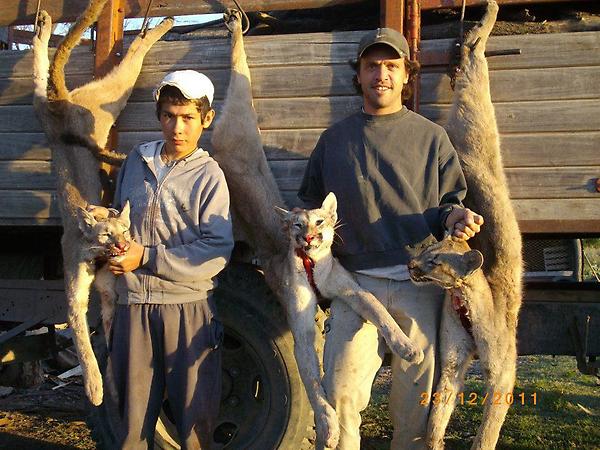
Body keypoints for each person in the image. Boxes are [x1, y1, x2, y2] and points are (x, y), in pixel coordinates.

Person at [298, 28, 484, 449]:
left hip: (419, 284)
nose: (381, 74)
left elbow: (449, 205)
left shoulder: (431, 138)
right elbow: (308, 207)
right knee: (340, 395)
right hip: (354, 286)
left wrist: (458, 217)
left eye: (391, 66)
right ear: (359, 75)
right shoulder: (334, 141)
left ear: (406, 76)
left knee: (415, 407)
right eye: (371, 66)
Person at [108, 70, 234, 449]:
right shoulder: (137, 160)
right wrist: (114, 251)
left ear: (206, 119)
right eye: (169, 116)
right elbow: (119, 218)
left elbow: (215, 251)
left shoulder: (210, 175)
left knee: (195, 424)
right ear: (159, 115)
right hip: (133, 308)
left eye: (188, 118)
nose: (177, 128)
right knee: (130, 424)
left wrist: (144, 256)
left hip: (187, 309)